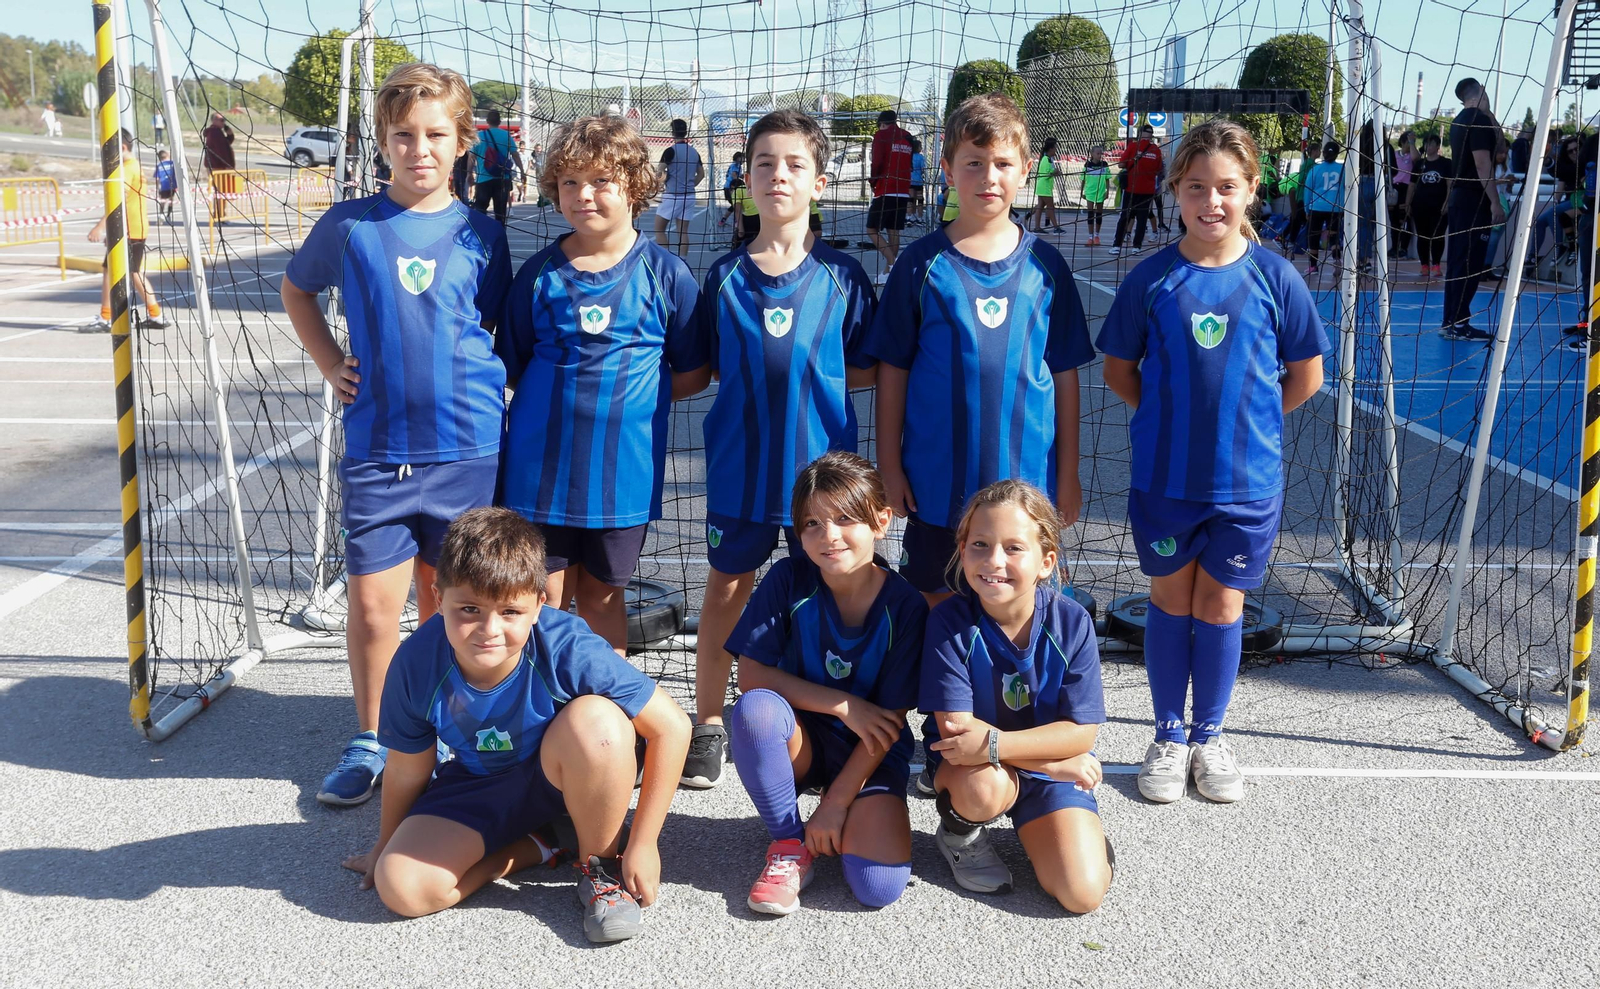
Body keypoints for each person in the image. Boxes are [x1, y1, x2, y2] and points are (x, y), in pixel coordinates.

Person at [280, 62, 513, 808]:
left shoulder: (482, 233)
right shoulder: (349, 226)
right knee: (377, 607)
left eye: (436, 135)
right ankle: (372, 736)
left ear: (462, 142)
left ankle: (446, 728)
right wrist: (329, 362)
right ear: (381, 141)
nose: (420, 149)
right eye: (403, 135)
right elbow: (297, 289)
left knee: (451, 601)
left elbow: (494, 324)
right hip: (379, 450)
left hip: (466, 450)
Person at [1097, 119, 1327, 806]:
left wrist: (1247, 427)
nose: (1212, 201)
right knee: (1171, 600)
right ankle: (1168, 733)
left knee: (1223, 604)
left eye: (1227, 186)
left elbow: (1305, 376)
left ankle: (1210, 734)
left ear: (1253, 189)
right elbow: (1119, 370)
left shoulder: (1276, 278)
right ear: (1175, 192)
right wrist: (1172, 422)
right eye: (1196, 187)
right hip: (1166, 480)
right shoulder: (1152, 279)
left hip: (1246, 484)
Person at [341, 507, 690, 941]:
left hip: (564, 776)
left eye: (510, 611)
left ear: (539, 604)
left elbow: (673, 726)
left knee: (599, 723)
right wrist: (384, 844)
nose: (489, 629)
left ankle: (599, 867)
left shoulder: (568, 645)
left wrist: (643, 843)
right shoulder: (415, 662)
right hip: (477, 782)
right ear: (437, 596)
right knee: (401, 888)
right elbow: (409, 767)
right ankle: (541, 845)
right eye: (469, 608)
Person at [685, 109, 878, 789]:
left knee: (825, 598)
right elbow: (700, 368)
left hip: (821, 482)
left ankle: (815, 724)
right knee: (727, 594)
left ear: (820, 181)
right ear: (746, 176)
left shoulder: (844, 278)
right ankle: (708, 723)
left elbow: (864, 365)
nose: (778, 175)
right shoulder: (725, 277)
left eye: (794, 164)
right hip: (741, 471)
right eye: (764, 162)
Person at [863, 92, 1092, 608]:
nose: (989, 176)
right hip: (936, 482)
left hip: (1027, 482)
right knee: (933, 604)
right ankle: (939, 692)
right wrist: (890, 466)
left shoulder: (1048, 268)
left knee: (1019, 603)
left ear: (1025, 170)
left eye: (1003, 163)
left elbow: (1065, 375)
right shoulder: (920, 266)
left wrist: (1070, 473)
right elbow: (893, 369)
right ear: (947, 169)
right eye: (974, 163)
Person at [497, 115, 709, 655]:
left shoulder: (666, 275)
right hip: (541, 472)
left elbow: (691, 371)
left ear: (635, 187)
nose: (582, 194)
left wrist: (636, 402)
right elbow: (514, 365)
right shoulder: (539, 275)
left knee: (603, 600)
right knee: (541, 597)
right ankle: (536, 714)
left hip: (623, 476)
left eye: (600, 181)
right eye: (569, 182)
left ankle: (604, 716)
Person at [725, 452, 925, 915]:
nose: (828, 536)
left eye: (844, 518)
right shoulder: (788, 579)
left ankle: (857, 811)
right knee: (755, 712)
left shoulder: (907, 606)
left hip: (870, 752)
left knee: (876, 888)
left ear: (881, 522)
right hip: (803, 742)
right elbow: (750, 676)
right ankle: (789, 845)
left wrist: (837, 803)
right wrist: (842, 704)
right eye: (812, 523)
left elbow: (889, 722)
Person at [920, 479, 1112, 911]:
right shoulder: (950, 621)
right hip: (974, 768)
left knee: (1081, 894)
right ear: (962, 550)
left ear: (1046, 562)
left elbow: (1081, 735)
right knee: (984, 787)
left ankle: (1077, 843)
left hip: (1035, 770)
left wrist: (1006, 748)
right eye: (980, 545)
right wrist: (1053, 761)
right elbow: (958, 733)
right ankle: (960, 835)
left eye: (1013, 548)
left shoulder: (1072, 622)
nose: (994, 561)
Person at [83, 128, 170, 334]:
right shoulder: (134, 165)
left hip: (130, 230)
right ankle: (155, 314)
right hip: (133, 227)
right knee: (130, 272)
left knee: (126, 272)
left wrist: (100, 227)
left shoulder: (126, 170)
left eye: (109, 150)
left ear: (122, 148)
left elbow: (118, 201)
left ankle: (106, 318)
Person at [1442, 77, 1506, 341]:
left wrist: (1488, 112)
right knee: (1469, 263)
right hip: (1473, 200)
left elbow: (1499, 146)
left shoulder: (1459, 120)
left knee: (1458, 262)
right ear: (1481, 92)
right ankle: (1459, 323)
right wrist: (1494, 202)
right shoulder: (1477, 121)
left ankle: (1451, 322)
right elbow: (1483, 163)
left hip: (1461, 199)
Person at [866, 109, 914, 278]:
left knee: (871, 229)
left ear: (883, 123)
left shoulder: (882, 135)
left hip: (886, 188)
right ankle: (888, 272)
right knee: (893, 230)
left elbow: (877, 161)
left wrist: (873, 181)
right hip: (903, 188)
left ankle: (893, 263)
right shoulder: (907, 136)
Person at [1109, 123, 1162, 256]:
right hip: (1148, 190)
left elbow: (1121, 164)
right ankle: (1136, 247)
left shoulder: (1133, 146)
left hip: (1132, 188)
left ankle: (1117, 245)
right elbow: (1159, 169)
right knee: (1142, 218)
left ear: (1139, 133)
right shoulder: (1156, 150)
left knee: (1125, 217)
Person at [655, 118, 704, 256]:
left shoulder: (670, 151)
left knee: (659, 230)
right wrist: (690, 184)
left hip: (672, 195)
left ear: (672, 132)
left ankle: (667, 260)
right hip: (689, 195)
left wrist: (659, 184)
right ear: (685, 131)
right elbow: (701, 174)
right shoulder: (694, 152)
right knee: (683, 232)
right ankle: (683, 261)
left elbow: (660, 172)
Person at [1406, 134, 1451, 278]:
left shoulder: (1446, 163)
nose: (1428, 147)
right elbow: (1412, 184)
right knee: (1422, 236)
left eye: (1431, 144)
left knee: (1438, 235)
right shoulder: (1419, 164)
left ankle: (1436, 265)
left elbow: (1450, 184)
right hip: (1420, 205)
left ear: (1438, 147)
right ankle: (1424, 264)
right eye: (1426, 144)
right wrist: (1408, 203)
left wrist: (1447, 202)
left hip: (1438, 206)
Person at [471, 109, 522, 225]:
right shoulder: (506, 136)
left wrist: (469, 173)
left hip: (483, 178)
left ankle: (480, 235)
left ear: (487, 121)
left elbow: (471, 157)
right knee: (500, 212)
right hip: (503, 178)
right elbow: (515, 155)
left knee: (480, 210)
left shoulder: (479, 136)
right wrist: (522, 171)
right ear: (499, 122)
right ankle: (500, 236)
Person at [1303, 141, 1344, 275]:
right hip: (1335, 207)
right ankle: (1337, 260)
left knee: (1314, 236)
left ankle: (1313, 266)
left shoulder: (1315, 169)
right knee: (1334, 235)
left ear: (1323, 153)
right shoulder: (1343, 169)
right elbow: (1346, 190)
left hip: (1317, 206)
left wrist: (1306, 209)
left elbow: (1307, 190)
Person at [1390, 130, 1416, 259]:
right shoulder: (1394, 155)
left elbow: (1417, 158)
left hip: (1407, 189)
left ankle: (1403, 248)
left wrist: (1412, 144)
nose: (1407, 145)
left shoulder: (1413, 155)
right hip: (1394, 189)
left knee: (1405, 218)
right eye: (1406, 142)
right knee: (1393, 220)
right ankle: (1394, 247)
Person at [1026, 137, 1059, 233]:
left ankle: (1036, 226)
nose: (1056, 149)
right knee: (1050, 207)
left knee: (1040, 206)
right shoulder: (1046, 159)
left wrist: (1056, 172)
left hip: (1044, 186)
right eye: (1055, 147)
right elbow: (1047, 173)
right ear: (1051, 148)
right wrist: (1055, 172)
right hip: (1044, 187)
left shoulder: (1048, 159)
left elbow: (1050, 171)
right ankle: (1056, 227)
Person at [1081, 145, 1110, 245]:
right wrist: (1082, 192)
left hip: (1100, 192)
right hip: (1090, 192)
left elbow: (1107, 179)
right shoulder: (1087, 165)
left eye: (1100, 153)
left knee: (1099, 214)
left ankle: (1097, 236)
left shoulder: (1104, 164)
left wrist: (1107, 191)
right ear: (1092, 154)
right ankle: (1090, 237)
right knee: (1090, 214)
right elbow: (1083, 179)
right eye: (1097, 153)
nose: (1099, 155)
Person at [729, 177, 757, 247]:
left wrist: (740, 230)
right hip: (764, 218)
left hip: (751, 219)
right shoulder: (755, 187)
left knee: (738, 242)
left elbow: (737, 210)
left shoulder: (737, 192)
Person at [720, 150, 745, 227]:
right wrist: (739, 181)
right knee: (736, 205)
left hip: (732, 188)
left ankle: (724, 220)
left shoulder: (738, 166)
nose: (744, 160)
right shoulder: (735, 165)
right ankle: (736, 222)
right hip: (730, 188)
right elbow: (734, 175)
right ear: (738, 158)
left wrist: (741, 176)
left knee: (735, 205)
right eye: (743, 158)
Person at [153, 148, 177, 224]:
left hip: (163, 186)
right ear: (167, 155)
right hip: (172, 185)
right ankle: (169, 215)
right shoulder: (172, 163)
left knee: (162, 201)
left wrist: (157, 187)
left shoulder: (159, 165)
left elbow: (157, 178)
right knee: (171, 200)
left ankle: (161, 215)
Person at [909, 137, 927, 218]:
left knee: (911, 199)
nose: (921, 148)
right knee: (920, 199)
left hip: (910, 180)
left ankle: (910, 216)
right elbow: (923, 168)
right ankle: (920, 217)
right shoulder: (921, 157)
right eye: (920, 146)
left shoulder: (909, 156)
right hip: (918, 181)